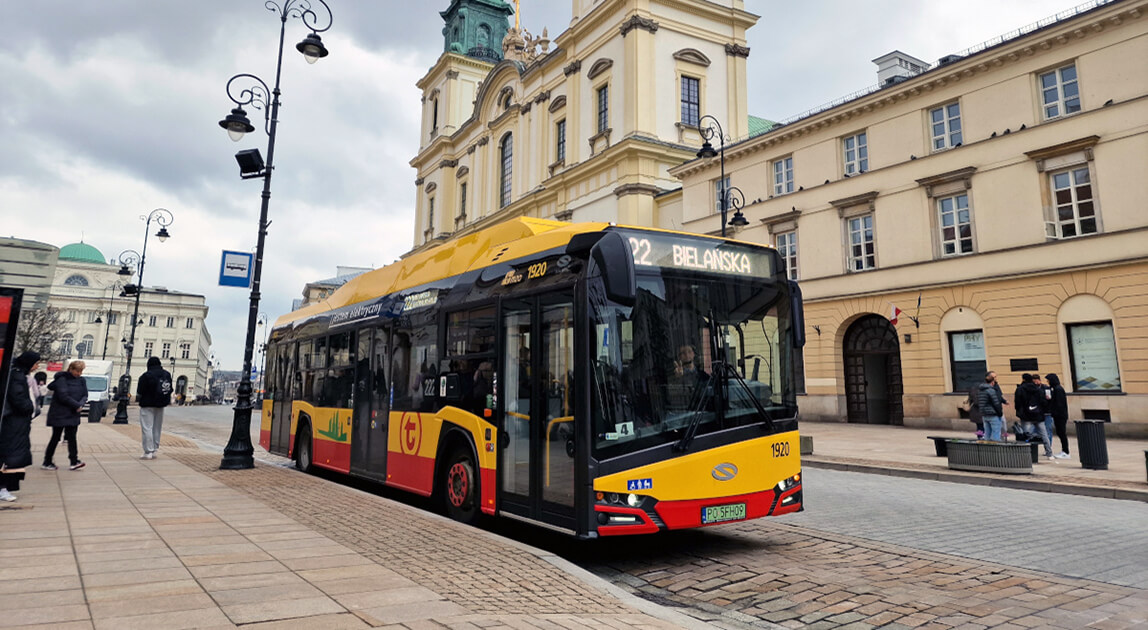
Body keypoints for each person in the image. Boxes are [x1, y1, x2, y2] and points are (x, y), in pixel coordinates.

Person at [1, 352, 40, 502]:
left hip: (17, 424)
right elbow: (18, 398)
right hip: (14, 423)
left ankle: (5, 487)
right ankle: (3, 487)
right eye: (35, 363)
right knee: (9, 456)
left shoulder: (18, 375)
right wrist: (30, 407)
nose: (37, 367)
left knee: (12, 456)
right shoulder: (17, 377)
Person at [43, 360, 88, 471]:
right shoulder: (62, 380)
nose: (79, 373)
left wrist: (81, 404)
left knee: (72, 438)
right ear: (71, 369)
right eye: (77, 371)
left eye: (81, 371)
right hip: (60, 413)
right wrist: (77, 405)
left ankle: (74, 461)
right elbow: (63, 396)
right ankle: (47, 461)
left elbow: (85, 394)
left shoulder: (82, 380)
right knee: (56, 437)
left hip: (73, 413)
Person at [136, 356, 173, 460]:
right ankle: (155, 449)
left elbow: (140, 390)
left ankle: (148, 451)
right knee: (157, 427)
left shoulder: (146, 375)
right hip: (161, 404)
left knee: (147, 427)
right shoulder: (166, 374)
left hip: (147, 405)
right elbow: (170, 389)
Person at [1046, 373, 1071, 459]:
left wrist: (1054, 412)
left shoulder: (1058, 389)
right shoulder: (1056, 389)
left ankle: (1066, 451)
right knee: (1060, 432)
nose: (1048, 382)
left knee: (1061, 433)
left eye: (1048, 380)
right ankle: (1064, 451)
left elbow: (1059, 404)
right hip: (1059, 414)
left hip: (1060, 415)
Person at [976, 371, 1005, 441]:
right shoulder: (991, 390)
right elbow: (996, 403)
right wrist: (1000, 413)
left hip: (984, 414)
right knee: (996, 433)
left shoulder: (981, 390)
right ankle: (995, 449)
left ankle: (988, 449)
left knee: (987, 433)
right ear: (992, 382)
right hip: (993, 414)